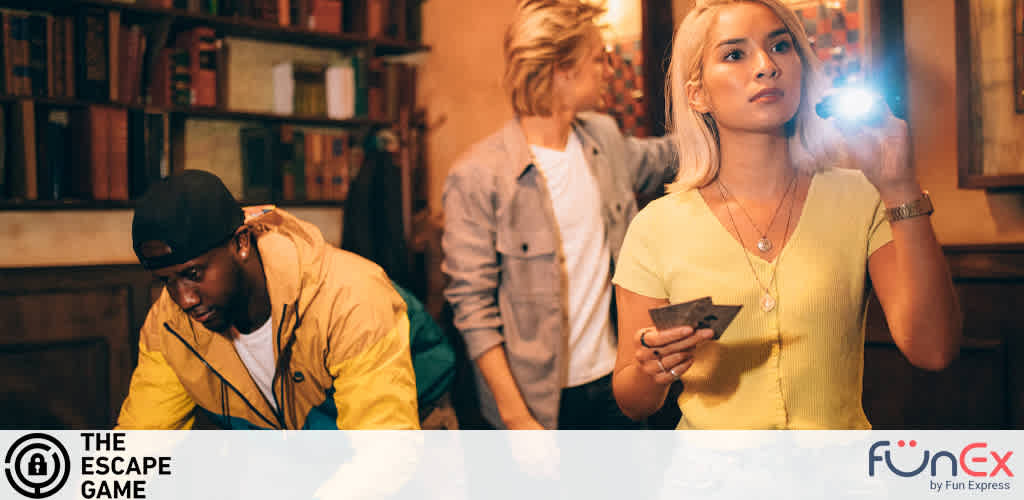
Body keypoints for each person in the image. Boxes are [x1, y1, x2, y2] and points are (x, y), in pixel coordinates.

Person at [611, 0, 961, 429]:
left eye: (780, 46)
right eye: (735, 54)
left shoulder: (860, 198)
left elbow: (933, 350)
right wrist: (654, 369)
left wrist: (900, 186)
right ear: (697, 94)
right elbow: (633, 401)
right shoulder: (656, 227)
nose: (765, 66)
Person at [442, 0, 678, 430]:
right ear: (562, 69)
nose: (607, 69)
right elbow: (472, 310)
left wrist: (727, 116)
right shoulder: (477, 176)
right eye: (596, 59)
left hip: (615, 385)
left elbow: (665, 158)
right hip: (536, 406)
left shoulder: (603, 139)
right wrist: (517, 420)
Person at [117, 169, 420, 429]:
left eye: (194, 274)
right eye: (166, 281)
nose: (184, 299)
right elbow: (142, 437)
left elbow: (384, 456)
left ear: (241, 243)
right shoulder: (169, 324)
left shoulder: (350, 296)